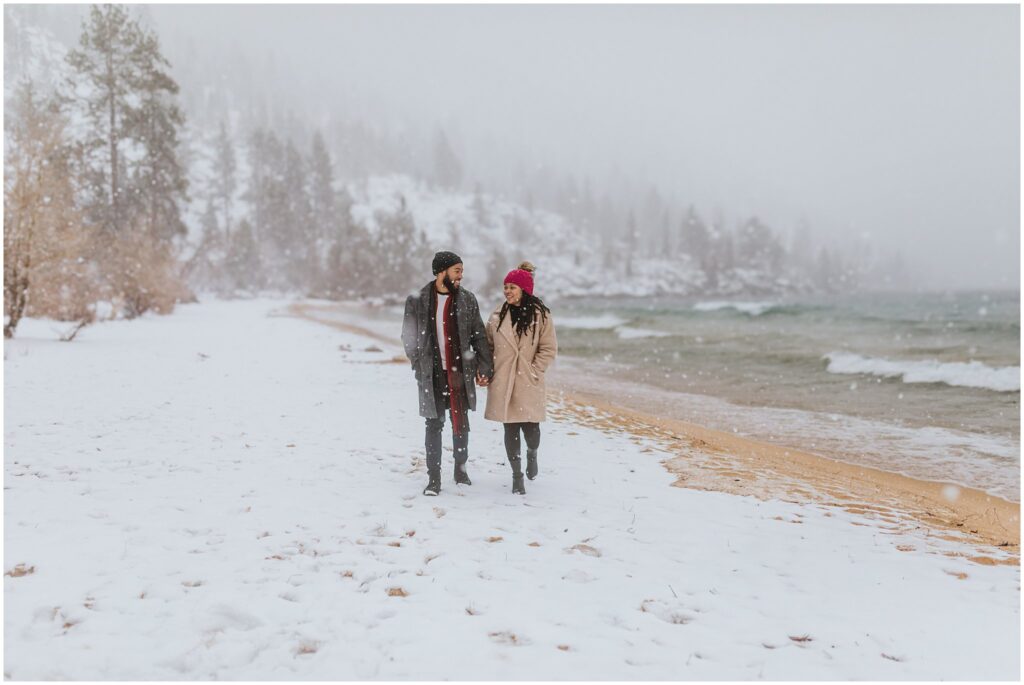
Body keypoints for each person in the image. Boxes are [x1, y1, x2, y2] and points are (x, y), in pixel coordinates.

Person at [402, 251, 493, 496]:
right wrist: (418, 363)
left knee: (460, 421)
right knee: (433, 423)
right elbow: (408, 337)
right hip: (431, 372)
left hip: (459, 371)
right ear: (441, 272)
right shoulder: (418, 300)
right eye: (457, 271)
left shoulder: (467, 300)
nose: (461, 276)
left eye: (462, 271)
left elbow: (479, 336)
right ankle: (434, 479)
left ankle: (460, 471)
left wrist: (484, 368)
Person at [484, 262, 557, 495]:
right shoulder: (496, 316)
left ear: (524, 289)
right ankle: (517, 476)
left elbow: (549, 348)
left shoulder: (541, 316)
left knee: (531, 428)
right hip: (504, 379)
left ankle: (532, 454)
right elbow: (487, 346)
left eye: (512, 287)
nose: (507, 291)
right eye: (505, 286)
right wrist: (487, 370)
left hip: (528, 379)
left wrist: (535, 370)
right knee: (510, 428)